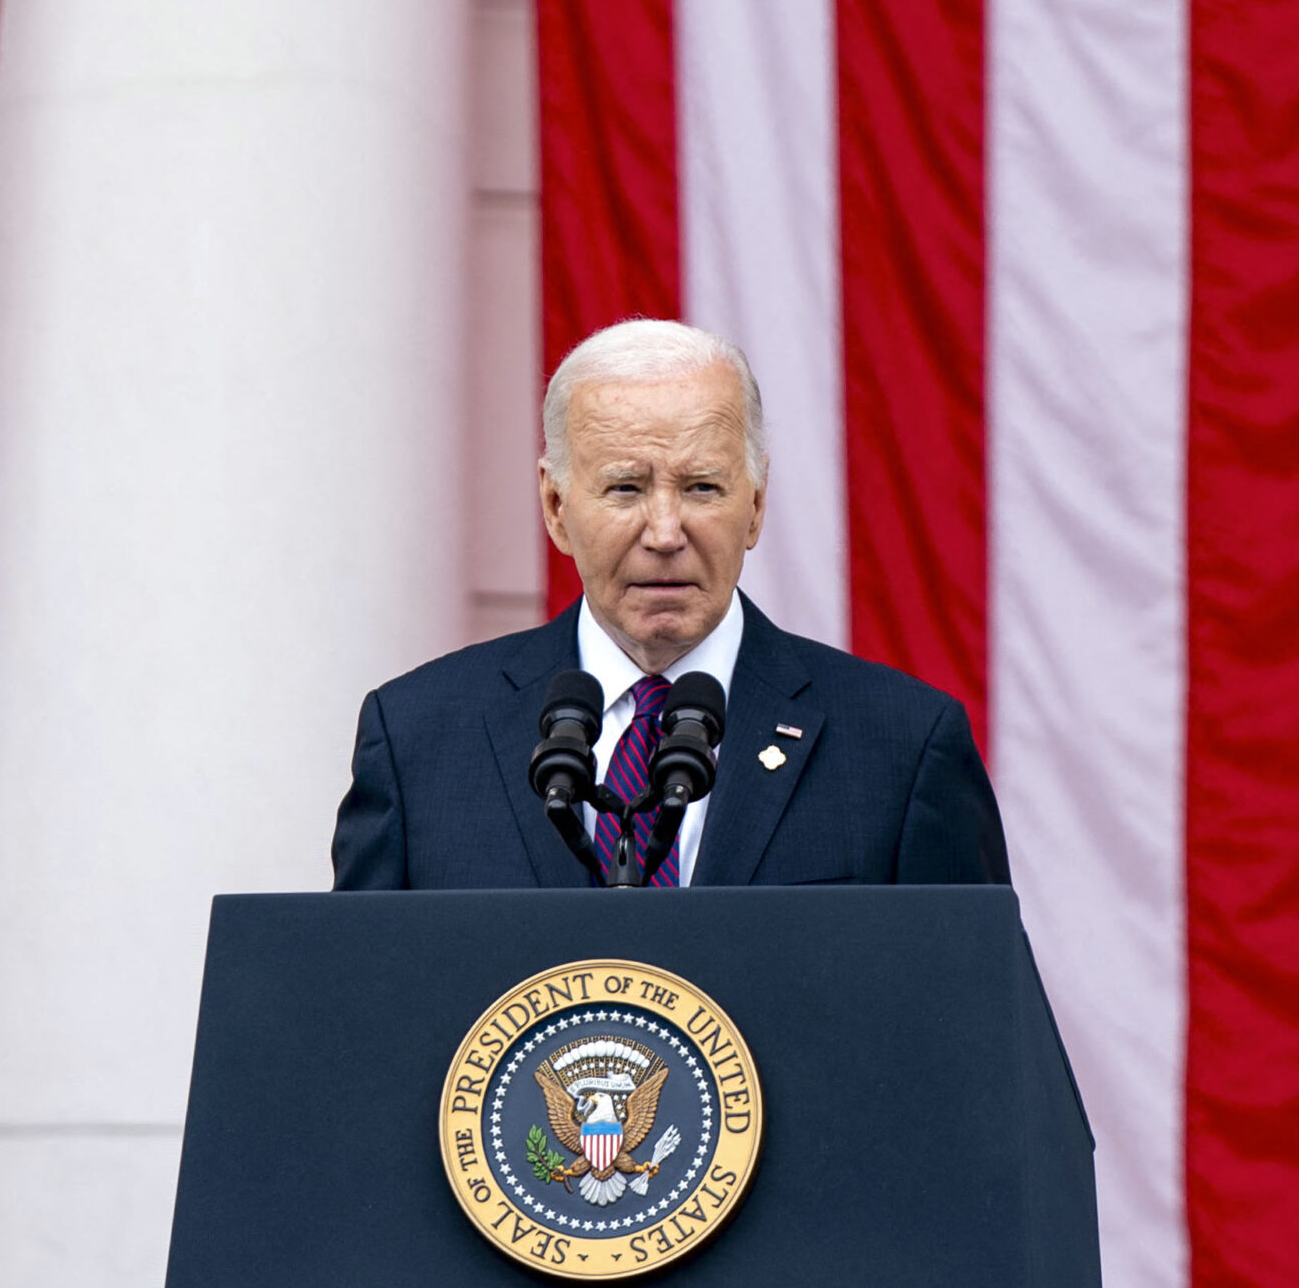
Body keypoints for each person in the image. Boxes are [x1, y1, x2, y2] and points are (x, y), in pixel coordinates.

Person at [331, 318, 1010, 889]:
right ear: (557, 506)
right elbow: (356, 1030)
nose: (664, 532)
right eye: (625, 488)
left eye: (703, 488)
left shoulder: (902, 749)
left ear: (757, 504)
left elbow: (976, 1029)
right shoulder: (419, 742)